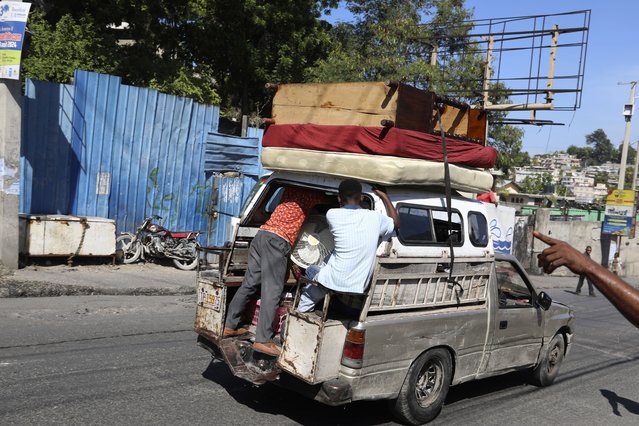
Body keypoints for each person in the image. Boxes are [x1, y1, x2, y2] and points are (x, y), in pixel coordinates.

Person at [223, 186, 324, 356]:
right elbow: (331, 203)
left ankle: (230, 326)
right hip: (278, 241)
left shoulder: (288, 190)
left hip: (261, 235)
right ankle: (263, 340)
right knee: (272, 291)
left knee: (249, 283)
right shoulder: (312, 194)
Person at [298, 179, 400, 313]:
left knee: (311, 270)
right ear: (362, 197)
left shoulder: (332, 214)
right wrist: (384, 197)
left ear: (339, 198)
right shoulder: (376, 218)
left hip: (333, 280)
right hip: (359, 285)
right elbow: (396, 223)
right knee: (328, 260)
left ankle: (301, 311)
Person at [534, 231, 639, 328]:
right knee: (582, 282)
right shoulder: (585, 255)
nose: (589, 251)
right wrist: (587, 266)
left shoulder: (587, 257)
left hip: (586, 270)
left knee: (588, 282)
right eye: (588, 249)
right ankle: (580, 290)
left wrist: (588, 266)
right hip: (584, 271)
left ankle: (589, 291)